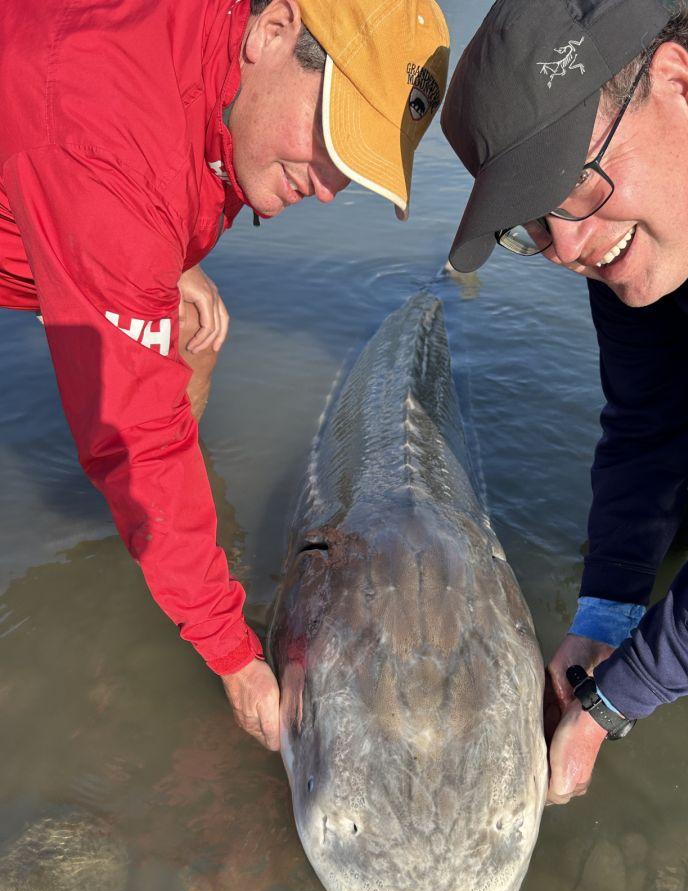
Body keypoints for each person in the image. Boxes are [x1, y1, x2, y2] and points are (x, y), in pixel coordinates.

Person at [0, 0, 450, 749]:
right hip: (63, 146)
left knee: (188, 333)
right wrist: (233, 654)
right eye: (331, 140)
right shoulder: (102, 132)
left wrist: (170, 257)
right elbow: (138, 437)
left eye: (353, 166)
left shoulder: (209, 59)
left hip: (63, 168)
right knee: (139, 440)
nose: (328, 189)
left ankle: (158, 538)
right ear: (273, 31)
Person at [441, 0, 688, 803]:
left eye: (573, 181)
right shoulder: (620, 222)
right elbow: (648, 416)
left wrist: (615, 701)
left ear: (681, 86)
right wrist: (605, 616)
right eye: (531, 219)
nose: (568, 248)